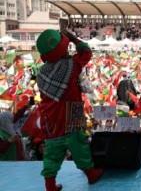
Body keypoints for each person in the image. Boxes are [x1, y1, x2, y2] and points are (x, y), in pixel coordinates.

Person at [35, 29, 103, 191]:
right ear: (63, 46)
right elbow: (86, 52)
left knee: (52, 151)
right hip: (72, 112)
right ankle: (91, 174)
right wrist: (73, 37)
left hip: (51, 117)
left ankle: (50, 185)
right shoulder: (71, 65)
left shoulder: (41, 73)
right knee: (79, 145)